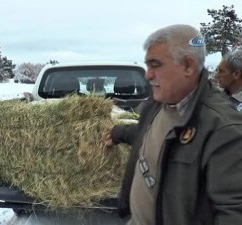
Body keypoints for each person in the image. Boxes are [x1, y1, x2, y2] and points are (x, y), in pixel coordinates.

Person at [104, 24, 242, 225]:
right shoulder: (157, 103)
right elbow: (151, 137)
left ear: (188, 66)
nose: (148, 75)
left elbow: (234, 210)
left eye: (156, 65)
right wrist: (120, 132)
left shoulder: (223, 128)